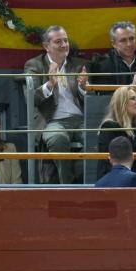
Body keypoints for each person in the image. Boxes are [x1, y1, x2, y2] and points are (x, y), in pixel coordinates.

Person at [24, 25, 88, 184]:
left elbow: (90, 98)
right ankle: (66, 184)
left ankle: (88, 184)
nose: (64, 45)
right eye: (58, 41)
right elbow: (32, 99)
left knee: (95, 137)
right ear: (46, 46)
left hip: (80, 120)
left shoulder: (79, 65)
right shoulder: (34, 65)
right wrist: (50, 84)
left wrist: (83, 87)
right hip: (52, 121)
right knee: (57, 138)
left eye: (65, 41)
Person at [97, 86, 136, 182]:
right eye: (133, 99)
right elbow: (108, 162)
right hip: (116, 181)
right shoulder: (109, 127)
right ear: (122, 103)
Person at [90, 21, 136, 86]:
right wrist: (135, 83)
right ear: (114, 44)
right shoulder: (102, 67)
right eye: (123, 40)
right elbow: (104, 97)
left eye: (132, 39)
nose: (129, 44)